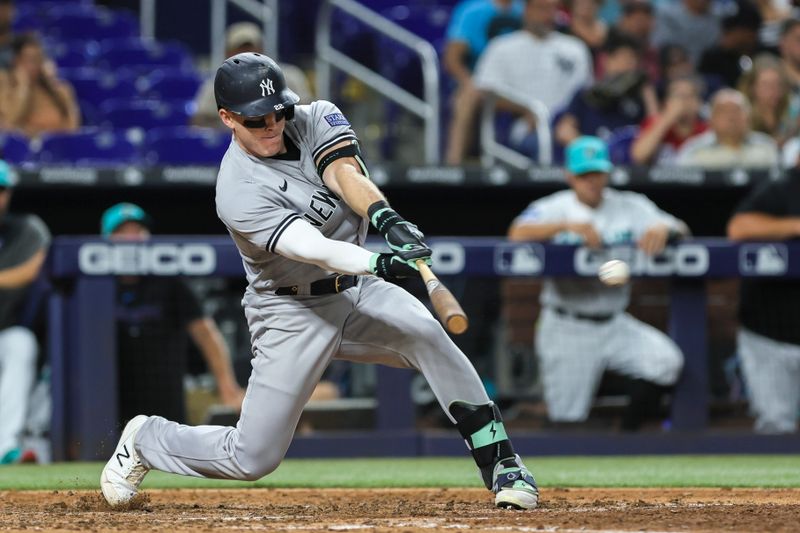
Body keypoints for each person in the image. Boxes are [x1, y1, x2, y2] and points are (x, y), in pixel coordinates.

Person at [100, 53, 539, 511]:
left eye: (278, 112)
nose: (271, 125)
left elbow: (343, 174)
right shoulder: (237, 188)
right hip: (290, 309)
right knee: (252, 457)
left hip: (356, 288)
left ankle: (504, 465)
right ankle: (147, 439)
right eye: (256, 119)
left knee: (431, 336)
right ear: (227, 118)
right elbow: (314, 248)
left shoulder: (318, 116)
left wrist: (385, 218)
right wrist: (382, 263)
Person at [507, 136, 686, 429]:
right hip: (568, 324)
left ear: (607, 173)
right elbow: (516, 233)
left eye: (597, 173)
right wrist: (565, 226)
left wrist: (664, 228)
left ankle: (627, 437)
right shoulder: (555, 207)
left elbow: (681, 227)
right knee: (568, 419)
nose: (591, 181)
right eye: (583, 174)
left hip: (615, 321)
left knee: (666, 362)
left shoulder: (630, 205)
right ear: (569, 175)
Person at [101, 202, 245, 427]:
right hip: (110, 393)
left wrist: (227, 386)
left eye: (138, 231)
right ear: (107, 239)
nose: (132, 238)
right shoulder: (93, 286)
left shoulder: (168, 280)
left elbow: (206, 334)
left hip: (164, 393)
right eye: (123, 232)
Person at [727, 169, 800, 433]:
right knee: (775, 426)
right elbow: (739, 227)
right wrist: (794, 226)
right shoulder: (782, 185)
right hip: (769, 333)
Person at [472, 0, 592, 160]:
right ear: (527, 10)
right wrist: (526, 110)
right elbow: (486, 92)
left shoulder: (575, 48)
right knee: (541, 142)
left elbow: (585, 93)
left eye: (553, 9)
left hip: (568, 125)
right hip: (524, 125)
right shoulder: (501, 47)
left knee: (596, 145)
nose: (548, 15)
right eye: (542, 8)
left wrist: (568, 118)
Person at [0, 160, 50, 464]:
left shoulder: (25, 229)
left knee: (21, 343)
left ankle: (6, 447)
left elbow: (36, 269)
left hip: (4, 333)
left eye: (1, 190)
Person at [443, 0, 524, 165]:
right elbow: (451, 58)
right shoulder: (472, 11)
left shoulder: (524, 9)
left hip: (519, 82)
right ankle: (453, 163)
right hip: (483, 83)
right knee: (467, 96)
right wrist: (468, 82)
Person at [192, 22, 312, 128]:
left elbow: (307, 113)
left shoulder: (291, 75)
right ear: (227, 53)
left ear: (262, 49)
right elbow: (199, 122)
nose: (246, 54)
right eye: (240, 49)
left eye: (251, 48)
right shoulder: (215, 83)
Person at [553, 33, 657, 153]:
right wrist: (594, 151)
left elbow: (655, 132)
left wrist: (648, 92)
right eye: (623, 59)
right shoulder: (586, 93)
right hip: (592, 160)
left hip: (627, 163)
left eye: (633, 61)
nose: (628, 66)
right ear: (606, 60)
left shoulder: (638, 98)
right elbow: (564, 131)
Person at [0, 33, 80, 138]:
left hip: (60, 149)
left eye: (38, 59)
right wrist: (24, 89)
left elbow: (73, 128)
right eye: (30, 60)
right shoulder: (6, 89)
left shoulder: (60, 90)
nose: (35, 65)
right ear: (17, 61)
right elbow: (8, 127)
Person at [676, 88, 780, 168]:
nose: (731, 117)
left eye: (737, 111)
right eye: (724, 111)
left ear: (749, 118)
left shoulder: (767, 147)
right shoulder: (694, 150)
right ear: (711, 120)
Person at [631, 75, 708, 165]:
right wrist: (668, 118)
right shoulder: (654, 123)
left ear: (698, 103)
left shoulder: (705, 130)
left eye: (688, 96)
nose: (683, 102)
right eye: (678, 96)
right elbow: (639, 156)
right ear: (667, 102)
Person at [697, 2, 763, 89]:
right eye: (726, 31)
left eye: (732, 31)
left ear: (750, 33)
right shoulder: (712, 58)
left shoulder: (763, 54)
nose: (726, 37)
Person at [738, 54, 798, 146]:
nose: (774, 91)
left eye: (778, 84)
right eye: (766, 85)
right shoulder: (742, 115)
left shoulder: (793, 110)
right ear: (752, 87)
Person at [652, 0, 721, 66]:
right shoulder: (667, 15)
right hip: (674, 67)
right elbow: (661, 46)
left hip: (706, 69)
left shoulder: (716, 19)